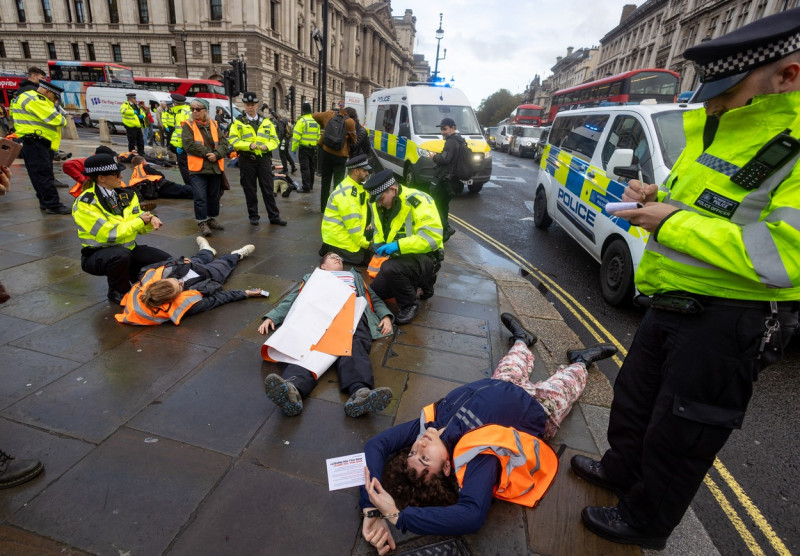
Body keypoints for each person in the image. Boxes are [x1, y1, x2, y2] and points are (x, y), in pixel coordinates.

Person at [570, 11, 800, 551]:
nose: (711, 100)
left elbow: (788, 257)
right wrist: (659, 199)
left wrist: (672, 221)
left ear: (786, 76)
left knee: (682, 431)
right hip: (671, 301)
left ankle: (646, 521)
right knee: (635, 401)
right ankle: (622, 472)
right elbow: (715, 207)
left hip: (729, 321)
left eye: (725, 89)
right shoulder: (723, 125)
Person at [359, 314, 618, 553]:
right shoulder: (477, 457)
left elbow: (376, 445)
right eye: (425, 459)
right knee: (568, 382)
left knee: (514, 358)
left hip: (502, 383)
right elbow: (472, 515)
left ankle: (522, 340)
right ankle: (582, 361)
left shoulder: (429, 428)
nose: (420, 446)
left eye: (413, 452)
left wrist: (370, 506)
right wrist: (397, 517)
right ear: (448, 467)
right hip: (539, 408)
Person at [258, 252, 395, 418]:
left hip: (352, 312)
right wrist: (273, 316)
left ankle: (361, 393)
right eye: (331, 257)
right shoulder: (314, 277)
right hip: (320, 312)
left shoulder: (353, 276)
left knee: (354, 345)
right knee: (310, 345)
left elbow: (373, 298)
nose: (337, 258)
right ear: (322, 266)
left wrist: (385, 315)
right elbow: (293, 299)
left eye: (339, 257)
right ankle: (292, 389)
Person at [72, 153, 169, 304]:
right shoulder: (86, 203)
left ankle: (134, 275)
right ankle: (118, 291)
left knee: (167, 261)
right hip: (97, 255)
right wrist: (139, 221)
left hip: (128, 250)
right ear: (101, 178)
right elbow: (109, 234)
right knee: (120, 255)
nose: (121, 177)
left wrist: (150, 220)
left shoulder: (127, 195)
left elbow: (139, 223)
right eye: (116, 174)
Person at [115, 237, 263, 325]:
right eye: (179, 287)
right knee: (225, 263)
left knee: (202, 257)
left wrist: (176, 261)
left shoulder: (149, 278)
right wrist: (245, 293)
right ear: (173, 299)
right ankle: (237, 254)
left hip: (186, 266)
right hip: (208, 277)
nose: (180, 282)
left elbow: (151, 267)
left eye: (174, 281)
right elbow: (217, 299)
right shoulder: (187, 305)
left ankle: (207, 250)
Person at [363, 169, 443, 325]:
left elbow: (432, 238)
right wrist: (378, 244)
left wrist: (398, 246)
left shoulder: (418, 200)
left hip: (428, 257)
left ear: (392, 189)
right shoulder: (376, 202)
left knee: (390, 268)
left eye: (381, 199)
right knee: (375, 293)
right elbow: (378, 228)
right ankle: (421, 285)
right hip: (401, 258)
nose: (378, 203)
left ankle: (409, 305)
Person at [10, 79, 71, 214]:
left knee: (37, 175)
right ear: (47, 92)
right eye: (54, 97)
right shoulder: (37, 100)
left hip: (31, 142)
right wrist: (60, 115)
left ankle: (44, 202)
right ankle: (53, 205)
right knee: (44, 175)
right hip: (36, 142)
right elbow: (58, 120)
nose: (54, 101)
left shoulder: (26, 97)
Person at [227, 92, 286, 226]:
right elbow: (234, 140)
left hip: (264, 159)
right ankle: (253, 216)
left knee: (268, 189)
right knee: (250, 189)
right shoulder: (238, 122)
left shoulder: (266, 122)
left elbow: (275, 140)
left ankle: (274, 217)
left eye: (252, 105)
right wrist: (248, 145)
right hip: (247, 159)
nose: (250, 108)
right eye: (248, 105)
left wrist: (267, 146)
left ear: (257, 105)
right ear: (244, 105)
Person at [182, 98, 229, 237]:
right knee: (200, 196)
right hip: (198, 169)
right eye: (192, 109)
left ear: (205, 111)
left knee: (214, 196)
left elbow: (224, 144)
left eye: (198, 109)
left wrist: (216, 154)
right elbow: (188, 145)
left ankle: (211, 218)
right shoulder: (188, 125)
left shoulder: (214, 124)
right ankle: (202, 221)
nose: (194, 112)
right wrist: (208, 154)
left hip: (214, 167)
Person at [320, 154, 373, 266]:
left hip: (342, 235)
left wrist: (368, 225)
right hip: (340, 241)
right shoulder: (348, 195)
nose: (367, 173)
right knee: (371, 259)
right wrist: (368, 245)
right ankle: (330, 250)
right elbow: (353, 226)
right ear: (356, 171)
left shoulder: (355, 187)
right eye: (364, 170)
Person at [313, 101, 357, 211]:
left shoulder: (329, 114)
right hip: (340, 156)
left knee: (325, 182)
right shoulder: (350, 122)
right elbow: (354, 140)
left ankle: (324, 209)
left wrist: (324, 125)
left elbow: (314, 115)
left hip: (326, 152)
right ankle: (335, 209)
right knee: (338, 184)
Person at [429, 117, 466, 242]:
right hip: (452, 179)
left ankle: (446, 228)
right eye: (441, 129)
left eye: (445, 129)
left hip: (445, 178)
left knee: (436, 204)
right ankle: (443, 231)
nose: (442, 132)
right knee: (443, 205)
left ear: (452, 128)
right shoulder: (460, 140)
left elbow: (445, 159)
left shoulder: (451, 141)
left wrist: (434, 157)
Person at [128, 156, 194, 200]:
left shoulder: (135, 173)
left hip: (154, 191)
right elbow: (160, 175)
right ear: (142, 162)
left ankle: (197, 196)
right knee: (183, 189)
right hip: (160, 186)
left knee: (180, 194)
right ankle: (201, 193)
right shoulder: (144, 167)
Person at [291, 102, 321, 193]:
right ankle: (310, 185)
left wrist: (293, 149)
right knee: (312, 168)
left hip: (304, 148)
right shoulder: (315, 121)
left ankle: (305, 187)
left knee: (305, 168)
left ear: (303, 110)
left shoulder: (302, 121)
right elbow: (318, 136)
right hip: (313, 148)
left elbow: (296, 137)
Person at [169, 93, 192, 187]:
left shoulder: (180, 114)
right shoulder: (188, 110)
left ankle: (190, 187)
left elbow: (181, 132)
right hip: (189, 144)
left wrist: (180, 145)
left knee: (184, 167)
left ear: (175, 103)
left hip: (183, 145)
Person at [270, 107, 297, 174]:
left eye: (278, 114)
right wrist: (271, 110)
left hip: (283, 141)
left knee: (282, 154)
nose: (277, 115)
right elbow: (276, 117)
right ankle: (293, 166)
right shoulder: (286, 120)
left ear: (280, 115)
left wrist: (278, 139)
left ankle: (285, 169)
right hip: (287, 139)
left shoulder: (280, 121)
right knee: (286, 154)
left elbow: (281, 131)